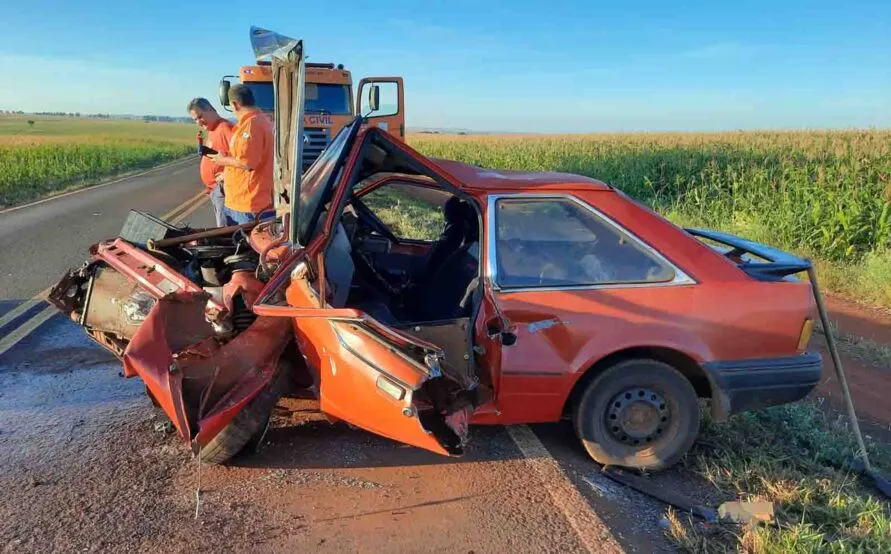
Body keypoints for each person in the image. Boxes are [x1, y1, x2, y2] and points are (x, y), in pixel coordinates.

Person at [207, 84, 275, 225]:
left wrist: (222, 160)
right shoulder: (260, 121)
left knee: (244, 244)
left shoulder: (251, 126)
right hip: (246, 200)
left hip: (247, 203)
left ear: (235, 104)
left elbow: (247, 163)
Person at [187, 97, 233, 227]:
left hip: (224, 190)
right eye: (195, 119)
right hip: (215, 190)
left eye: (200, 116)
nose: (198, 122)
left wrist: (227, 174)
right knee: (222, 227)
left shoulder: (225, 128)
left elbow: (243, 157)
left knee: (224, 231)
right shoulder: (213, 130)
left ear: (210, 109)